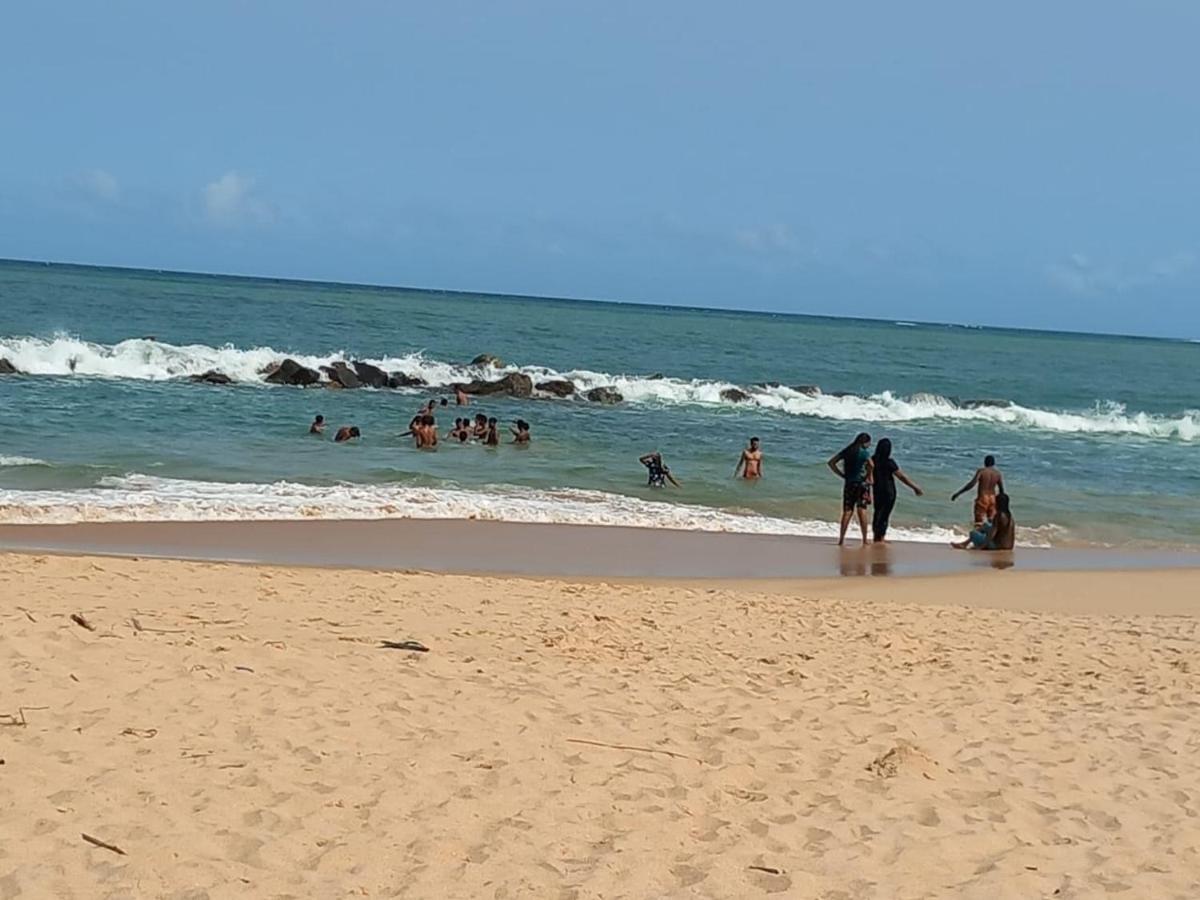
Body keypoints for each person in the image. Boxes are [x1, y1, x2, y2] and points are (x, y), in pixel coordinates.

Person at [870, 438, 923, 543]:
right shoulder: (889, 462)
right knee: (885, 514)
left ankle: (876, 535)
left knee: (877, 512)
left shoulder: (872, 460)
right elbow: (901, 477)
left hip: (877, 490)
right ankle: (881, 537)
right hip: (889, 491)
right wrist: (914, 487)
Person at [827, 432, 873, 547]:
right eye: (868, 443)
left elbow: (831, 462)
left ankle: (841, 539)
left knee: (847, 511)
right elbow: (872, 465)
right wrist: (868, 476)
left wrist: (841, 474)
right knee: (862, 510)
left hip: (849, 483)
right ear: (865, 442)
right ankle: (864, 539)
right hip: (861, 484)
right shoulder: (864, 452)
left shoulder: (848, 451)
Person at [952, 455, 1005, 527]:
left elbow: (972, 484)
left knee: (978, 523)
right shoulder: (997, 474)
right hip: (993, 499)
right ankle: (991, 537)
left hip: (983, 498)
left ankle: (978, 536)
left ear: (985, 462)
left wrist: (958, 493)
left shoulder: (981, 471)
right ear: (993, 463)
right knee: (992, 521)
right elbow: (1001, 490)